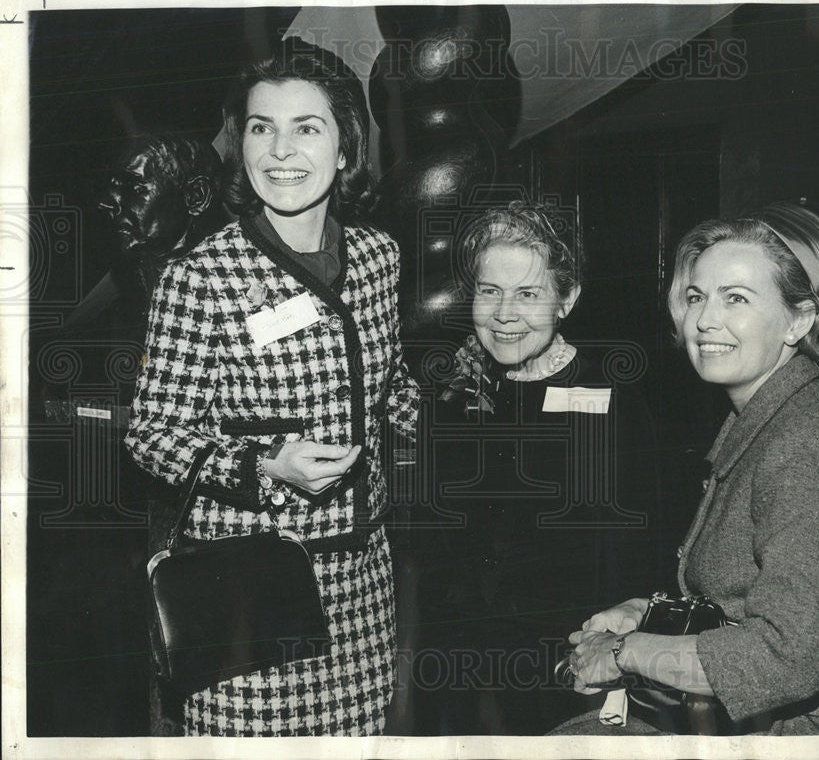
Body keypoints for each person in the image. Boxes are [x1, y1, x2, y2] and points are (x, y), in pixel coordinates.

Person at [560, 201, 819, 735]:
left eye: (735, 298)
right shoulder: (766, 420)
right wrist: (644, 610)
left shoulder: (808, 445)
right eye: (697, 296)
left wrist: (627, 652)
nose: (705, 319)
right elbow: (744, 593)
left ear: (800, 319)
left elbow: (784, 659)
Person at [125, 44, 419, 736]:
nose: (280, 150)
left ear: (347, 148)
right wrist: (262, 466)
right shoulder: (200, 276)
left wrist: (467, 400)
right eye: (262, 127)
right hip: (249, 591)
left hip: (360, 590)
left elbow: (388, 384)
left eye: (307, 128)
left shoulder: (379, 256)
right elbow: (152, 435)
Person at [404, 202, 660, 735]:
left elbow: (638, 556)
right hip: (457, 676)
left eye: (527, 294)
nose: (503, 314)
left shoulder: (612, 401)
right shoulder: (450, 393)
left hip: (568, 670)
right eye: (489, 291)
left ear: (567, 299)